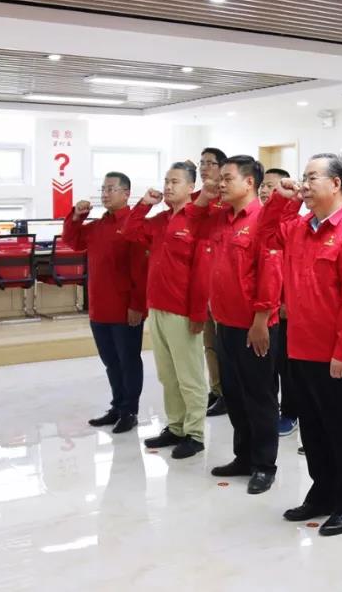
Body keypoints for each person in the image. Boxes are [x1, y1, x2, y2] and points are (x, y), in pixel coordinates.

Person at [259, 154, 342, 537]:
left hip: (336, 355)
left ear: (337, 184)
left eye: (312, 178)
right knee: (312, 430)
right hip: (299, 347)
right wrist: (283, 200)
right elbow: (265, 235)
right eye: (303, 178)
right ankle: (322, 493)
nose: (305, 185)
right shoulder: (300, 226)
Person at [189, 155, 283, 494]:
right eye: (220, 178)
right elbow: (192, 223)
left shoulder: (263, 220)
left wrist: (261, 320)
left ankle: (264, 465)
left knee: (259, 397)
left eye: (228, 178)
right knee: (234, 394)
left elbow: (271, 274)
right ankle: (243, 456)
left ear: (249, 182)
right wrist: (206, 195)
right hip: (225, 323)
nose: (221, 183)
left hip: (254, 326)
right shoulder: (220, 218)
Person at [122, 161, 210, 459]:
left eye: (175, 182)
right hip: (157, 307)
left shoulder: (198, 220)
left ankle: (195, 434)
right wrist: (144, 204)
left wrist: (198, 313)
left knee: (189, 376)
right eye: (166, 181)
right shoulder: (160, 220)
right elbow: (129, 231)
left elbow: (202, 272)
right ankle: (176, 427)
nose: (168, 186)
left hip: (182, 310)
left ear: (191, 187)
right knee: (167, 375)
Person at [64, 172, 149, 434]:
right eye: (103, 189)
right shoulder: (98, 226)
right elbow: (72, 241)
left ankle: (130, 411)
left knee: (128, 361)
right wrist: (77, 216)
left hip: (125, 309)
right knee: (111, 361)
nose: (105, 193)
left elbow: (141, 270)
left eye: (111, 189)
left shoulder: (134, 225)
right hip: (99, 308)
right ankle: (117, 405)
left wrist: (137, 305)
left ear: (126, 194)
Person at [260, 168, 299, 437]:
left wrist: (285, 301)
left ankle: (290, 412)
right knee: (268, 365)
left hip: (285, 309)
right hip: (264, 309)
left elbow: (289, 268)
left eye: (272, 186)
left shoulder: (293, 222)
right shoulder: (258, 219)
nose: (266, 191)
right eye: (263, 186)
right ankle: (270, 410)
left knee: (287, 365)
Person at [199, 147, 229, 418]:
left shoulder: (228, 201)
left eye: (210, 163)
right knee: (209, 343)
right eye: (202, 163)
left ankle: (228, 393)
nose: (204, 167)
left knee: (223, 344)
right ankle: (216, 388)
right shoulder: (198, 199)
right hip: (203, 282)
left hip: (223, 285)